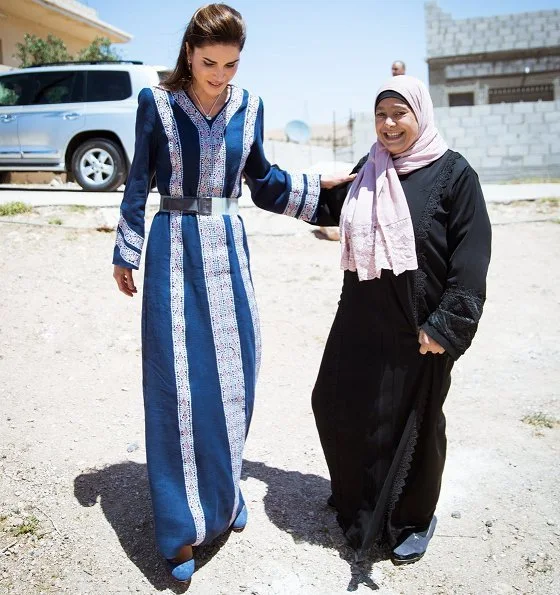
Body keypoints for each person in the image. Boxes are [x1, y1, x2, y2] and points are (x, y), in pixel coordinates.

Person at [111, 3, 351, 584]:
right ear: (190, 53)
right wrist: (127, 250)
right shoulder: (157, 103)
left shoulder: (250, 105)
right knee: (179, 385)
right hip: (174, 248)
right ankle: (180, 531)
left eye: (231, 64)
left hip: (230, 249)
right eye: (210, 62)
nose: (220, 75)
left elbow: (263, 181)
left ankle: (222, 494)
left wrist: (322, 192)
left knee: (235, 375)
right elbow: (139, 180)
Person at [311, 75, 491, 565]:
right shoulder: (370, 168)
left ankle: (412, 518)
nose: (389, 125)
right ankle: (357, 499)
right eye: (381, 115)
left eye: (399, 114)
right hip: (361, 315)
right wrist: (272, 180)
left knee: (415, 420)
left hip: (419, 327)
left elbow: (471, 259)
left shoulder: (456, 174)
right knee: (335, 403)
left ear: (421, 115)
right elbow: (329, 206)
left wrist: (446, 325)